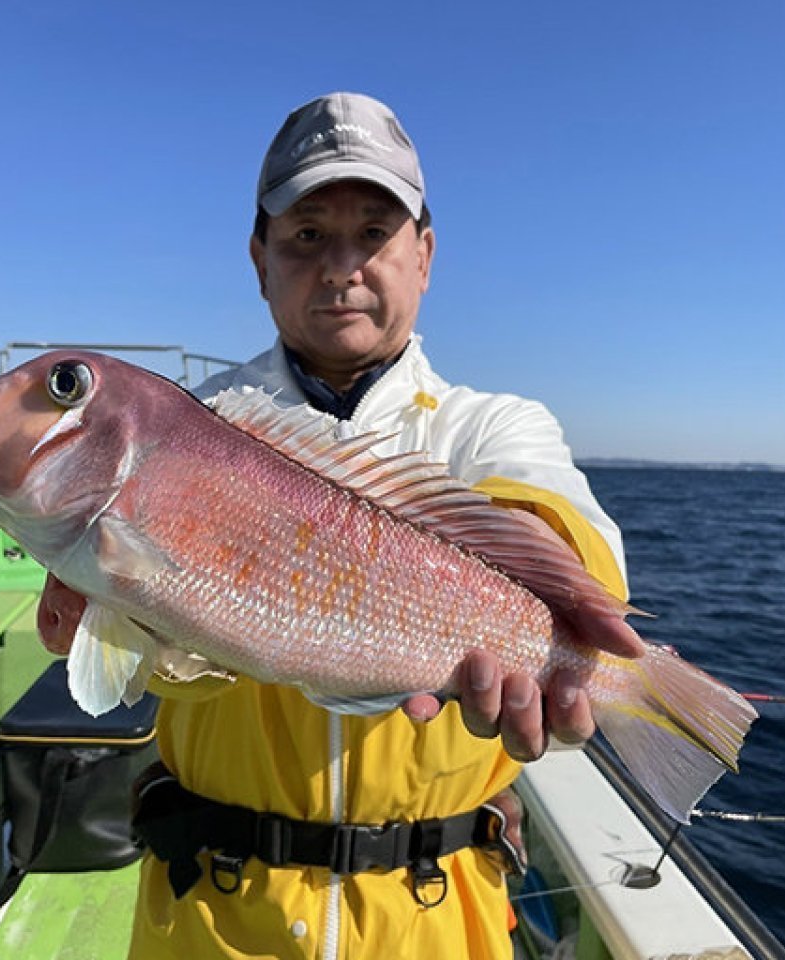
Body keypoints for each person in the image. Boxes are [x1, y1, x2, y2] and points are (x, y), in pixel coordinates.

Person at [36, 91, 642, 960]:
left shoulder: (493, 425)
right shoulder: (175, 430)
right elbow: (134, 654)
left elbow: (566, 531)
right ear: (259, 258)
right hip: (209, 915)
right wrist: (119, 611)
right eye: (307, 234)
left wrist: (537, 599)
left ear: (425, 256)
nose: (342, 265)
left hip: (437, 920)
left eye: (375, 233)